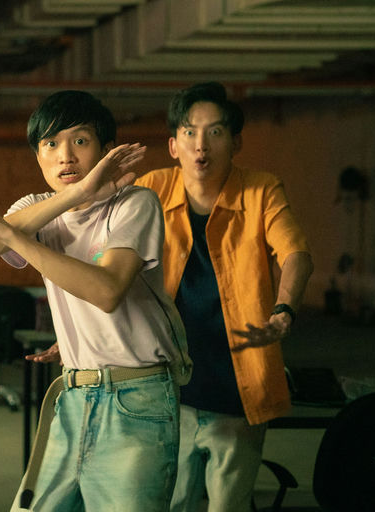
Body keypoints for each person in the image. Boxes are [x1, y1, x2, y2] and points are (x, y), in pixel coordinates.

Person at [0, 90, 191, 511]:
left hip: (136, 396)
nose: (65, 156)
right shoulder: (37, 207)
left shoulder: (135, 203)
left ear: (106, 150)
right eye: (51, 144)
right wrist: (75, 196)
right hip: (74, 394)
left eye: (80, 140)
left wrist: (12, 234)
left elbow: (107, 291)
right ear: (38, 157)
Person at [134, 81, 313, 511]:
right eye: (190, 132)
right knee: (166, 504)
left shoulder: (261, 190)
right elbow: (107, 261)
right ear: (173, 145)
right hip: (166, 390)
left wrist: (284, 310)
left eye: (215, 132)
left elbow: (296, 254)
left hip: (238, 390)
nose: (201, 145)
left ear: (235, 143)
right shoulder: (151, 189)